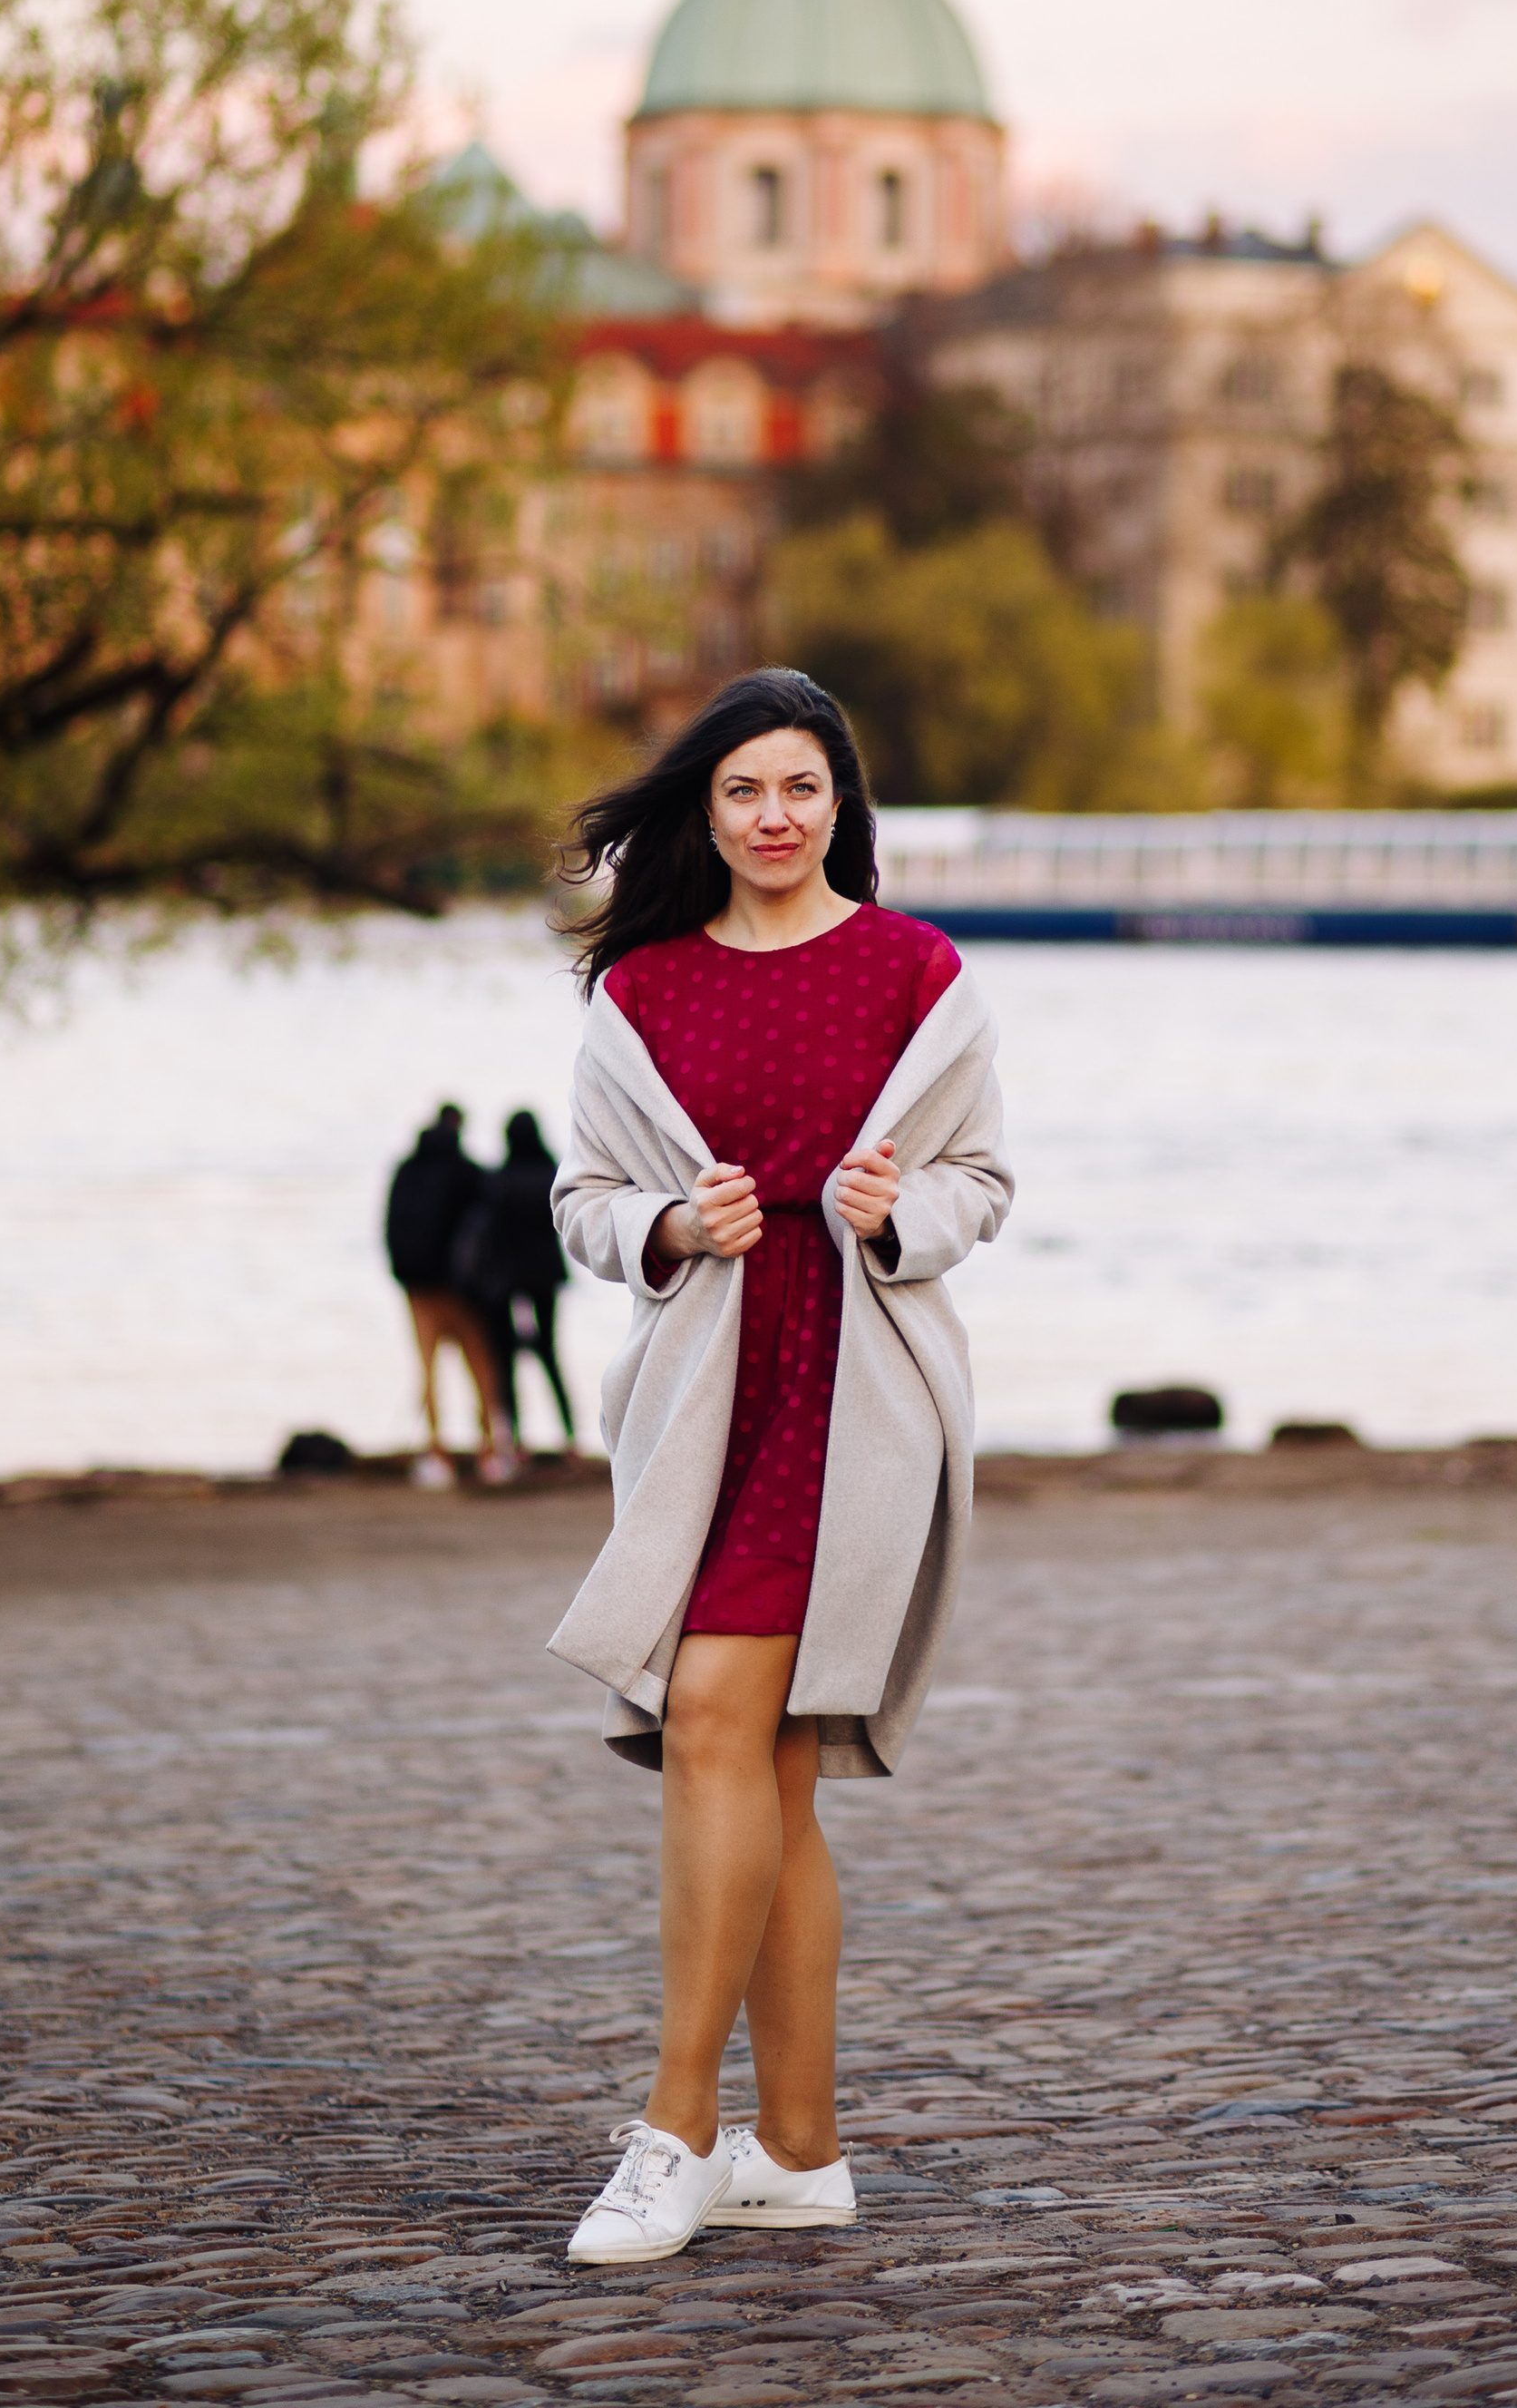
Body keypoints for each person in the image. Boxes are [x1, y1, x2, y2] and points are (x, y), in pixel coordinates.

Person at [544, 666, 1012, 2267]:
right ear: (709, 808)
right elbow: (585, 1203)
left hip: (857, 1406)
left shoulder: (915, 975)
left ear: (841, 805)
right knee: (772, 1779)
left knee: (707, 1720)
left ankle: (675, 2131)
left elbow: (982, 1182)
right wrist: (672, 1225)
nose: (772, 815)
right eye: (743, 788)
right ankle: (801, 2153)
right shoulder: (645, 992)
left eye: (801, 787)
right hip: (707, 1414)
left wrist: (900, 1214)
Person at [382, 1103, 515, 1488]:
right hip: (463, 1292)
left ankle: (436, 1453)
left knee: (428, 1370)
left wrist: (403, 1275)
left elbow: (389, 1225)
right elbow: (488, 1232)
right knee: (481, 1369)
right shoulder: (468, 1172)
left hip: (417, 1289)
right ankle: (489, 1452)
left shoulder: (406, 1170)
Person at [479, 1107, 578, 1451]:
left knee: (506, 1360)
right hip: (546, 1276)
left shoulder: (498, 1179)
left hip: (507, 1279)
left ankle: (516, 1440)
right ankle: (569, 1437)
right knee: (549, 1355)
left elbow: (490, 1232)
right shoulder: (552, 1174)